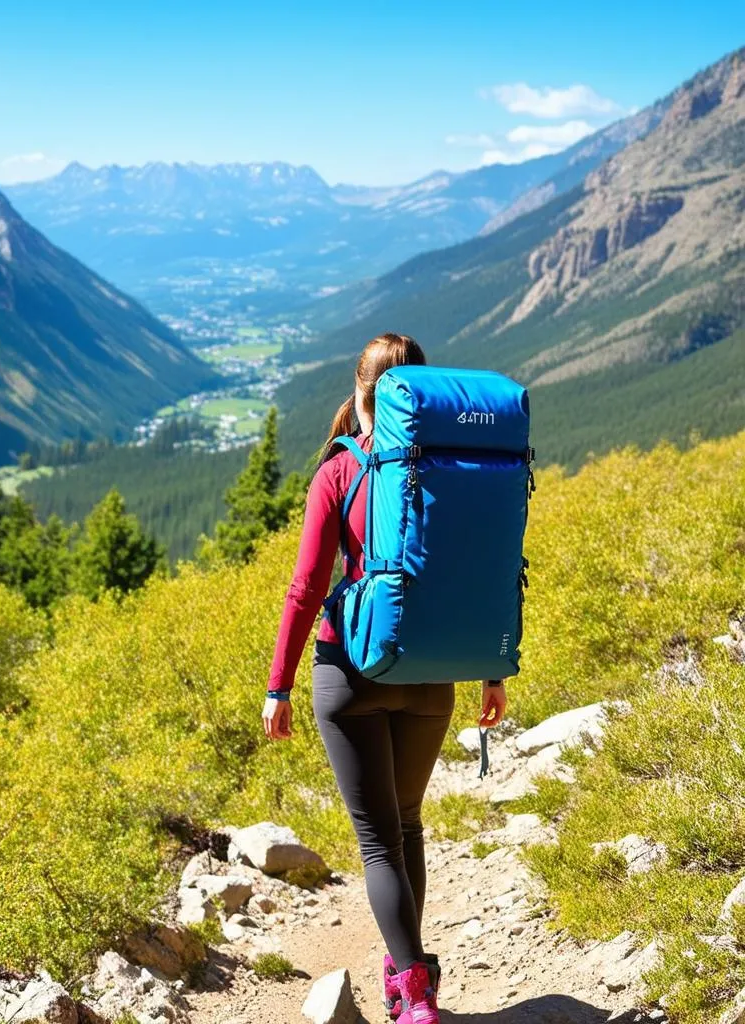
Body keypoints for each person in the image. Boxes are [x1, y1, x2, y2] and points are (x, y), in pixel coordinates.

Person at [262, 332, 507, 1024]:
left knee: (378, 842)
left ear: (359, 391)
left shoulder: (340, 471)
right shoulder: (452, 466)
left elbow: (307, 587)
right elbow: (479, 568)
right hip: (434, 674)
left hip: (352, 670)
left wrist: (278, 685)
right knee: (407, 826)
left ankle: (413, 990)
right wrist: (492, 669)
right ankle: (411, 975)